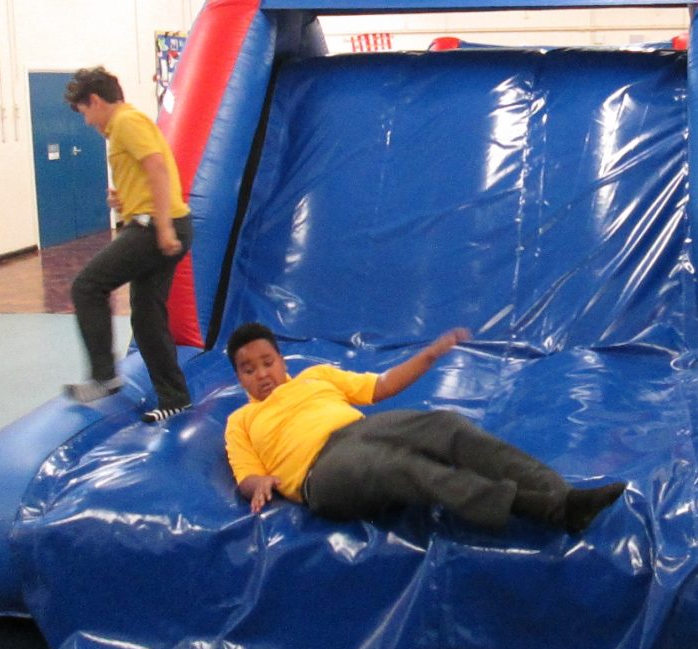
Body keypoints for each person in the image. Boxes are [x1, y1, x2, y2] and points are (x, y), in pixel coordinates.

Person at [224, 322, 626, 533]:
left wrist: (428, 356)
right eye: (249, 369)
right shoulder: (241, 421)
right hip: (322, 471)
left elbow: (381, 386)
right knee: (400, 466)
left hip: (360, 430)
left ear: (282, 361)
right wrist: (258, 483)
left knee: (446, 425)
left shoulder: (316, 376)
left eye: (267, 362)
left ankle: (563, 493)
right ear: (239, 378)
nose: (262, 374)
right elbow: (245, 475)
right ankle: (547, 510)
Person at [63, 66, 192, 423]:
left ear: (95, 100)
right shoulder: (125, 125)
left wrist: (163, 227)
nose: (87, 121)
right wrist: (124, 199)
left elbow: (157, 168)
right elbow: (149, 173)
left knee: (87, 285)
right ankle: (175, 398)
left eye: (85, 112)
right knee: (148, 317)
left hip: (155, 227)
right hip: (161, 223)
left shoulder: (125, 122)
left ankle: (104, 376)